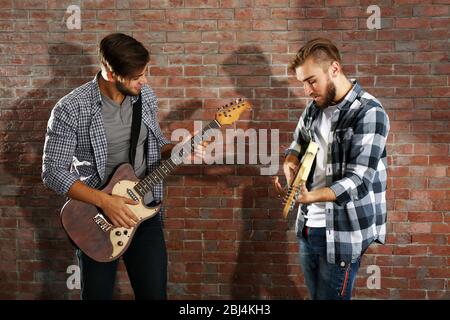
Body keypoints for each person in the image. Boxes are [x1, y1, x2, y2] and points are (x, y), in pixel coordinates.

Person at [42, 33, 203, 299]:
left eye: (145, 73)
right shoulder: (71, 108)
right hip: (97, 218)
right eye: (136, 76)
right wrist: (106, 202)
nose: (145, 80)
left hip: (144, 211)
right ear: (110, 73)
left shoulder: (145, 96)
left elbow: (153, 144)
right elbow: (53, 171)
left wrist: (178, 149)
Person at [273, 38, 390, 300]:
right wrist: (290, 160)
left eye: (312, 80)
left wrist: (311, 196)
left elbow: (359, 180)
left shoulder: (369, 112)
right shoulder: (314, 108)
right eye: (302, 82)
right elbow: (297, 144)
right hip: (307, 227)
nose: (306, 90)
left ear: (334, 69)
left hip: (342, 234)